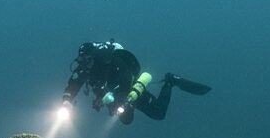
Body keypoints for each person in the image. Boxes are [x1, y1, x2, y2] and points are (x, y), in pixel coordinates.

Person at [61, 41, 211, 124]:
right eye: (81, 60)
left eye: (87, 59)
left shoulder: (111, 61)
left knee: (158, 113)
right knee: (126, 120)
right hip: (112, 96)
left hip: (129, 90)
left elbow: (126, 78)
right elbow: (74, 84)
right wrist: (67, 101)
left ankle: (170, 82)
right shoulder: (85, 70)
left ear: (94, 56)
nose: (85, 63)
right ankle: (127, 106)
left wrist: (120, 97)